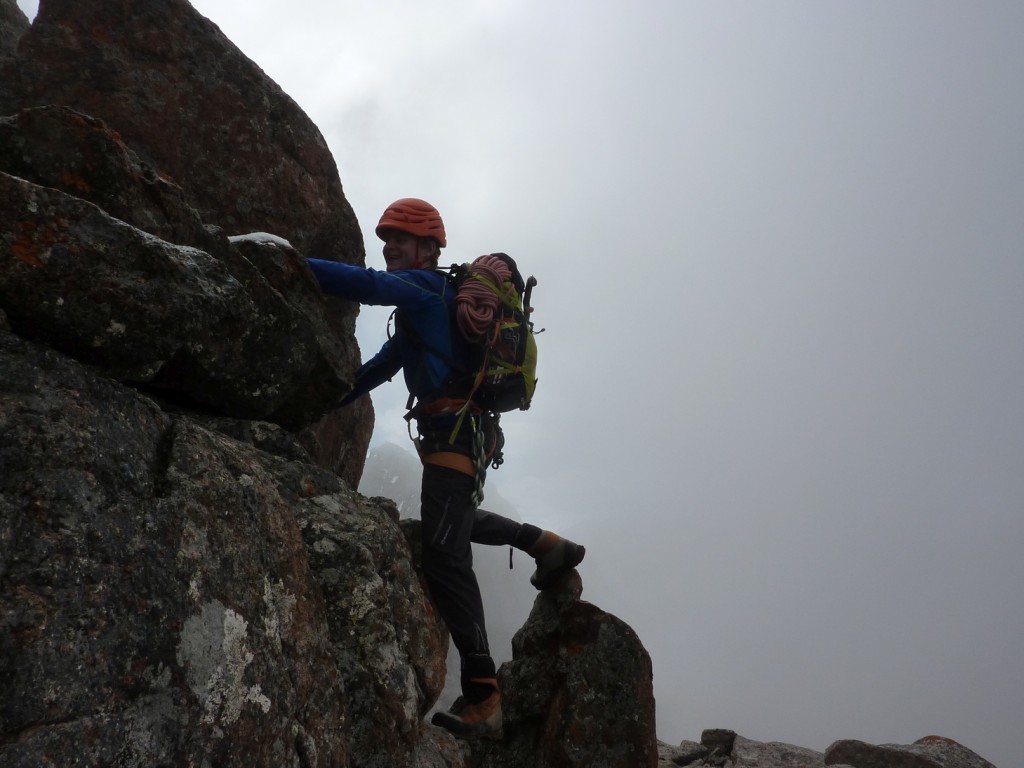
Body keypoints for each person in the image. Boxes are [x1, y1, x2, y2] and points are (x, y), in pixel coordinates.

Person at [305, 198, 585, 741]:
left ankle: (484, 692)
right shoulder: (422, 310)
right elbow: (385, 366)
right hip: (464, 439)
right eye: (387, 238)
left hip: (455, 437)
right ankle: (546, 544)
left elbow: (365, 285)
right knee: (455, 521)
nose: (389, 247)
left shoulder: (426, 287)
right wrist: (334, 398)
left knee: (444, 555)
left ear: (429, 249)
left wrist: (294, 263)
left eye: (401, 240)